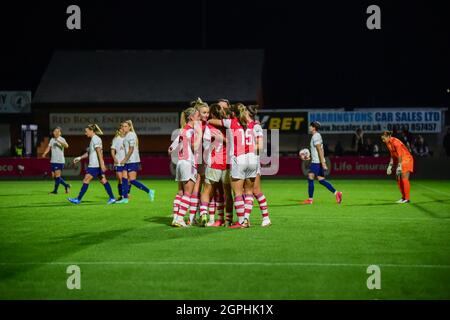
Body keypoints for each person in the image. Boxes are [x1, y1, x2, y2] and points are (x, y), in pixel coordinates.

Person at [208, 103, 258, 228]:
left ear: (233, 113)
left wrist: (210, 118)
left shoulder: (231, 122)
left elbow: (213, 120)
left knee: (237, 193)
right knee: (249, 191)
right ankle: (246, 219)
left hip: (239, 158)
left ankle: (241, 222)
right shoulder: (251, 124)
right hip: (252, 158)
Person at [68, 124, 116, 204]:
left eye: (86, 131)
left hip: (95, 165)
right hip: (97, 165)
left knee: (86, 180)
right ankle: (112, 198)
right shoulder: (94, 139)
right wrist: (80, 158)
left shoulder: (95, 139)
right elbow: (89, 153)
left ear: (91, 131)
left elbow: (99, 153)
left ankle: (78, 199)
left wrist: (102, 165)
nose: (85, 133)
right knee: (103, 180)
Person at [172, 107, 202, 227]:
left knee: (180, 192)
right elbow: (195, 147)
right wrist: (199, 134)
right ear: (191, 117)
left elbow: (170, 149)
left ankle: (175, 217)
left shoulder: (182, 130)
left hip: (180, 163)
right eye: (197, 116)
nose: (199, 118)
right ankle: (179, 219)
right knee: (188, 193)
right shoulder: (190, 131)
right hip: (188, 163)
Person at [200, 103, 228, 227]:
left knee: (207, 189)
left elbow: (206, 146)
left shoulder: (209, 126)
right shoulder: (228, 125)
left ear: (211, 113)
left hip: (214, 162)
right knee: (224, 192)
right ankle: (224, 219)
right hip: (227, 163)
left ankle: (204, 213)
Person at [301, 121, 343, 205]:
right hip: (317, 161)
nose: (309, 128)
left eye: (310, 126)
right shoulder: (316, 136)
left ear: (313, 128)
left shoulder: (315, 136)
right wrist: (309, 157)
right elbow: (317, 151)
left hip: (317, 162)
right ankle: (337, 193)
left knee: (310, 177)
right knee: (321, 180)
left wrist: (323, 163)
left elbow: (319, 149)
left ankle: (310, 200)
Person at [116, 120, 155, 204]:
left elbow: (131, 149)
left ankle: (149, 191)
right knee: (124, 178)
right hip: (128, 160)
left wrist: (125, 159)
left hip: (132, 160)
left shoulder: (131, 135)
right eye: (122, 126)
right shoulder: (126, 136)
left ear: (130, 127)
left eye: (125, 126)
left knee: (132, 180)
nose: (123, 128)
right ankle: (125, 198)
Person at [247, 104, 271, 227]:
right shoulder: (244, 126)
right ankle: (246, 219)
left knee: (255, 190)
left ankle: (266, 217)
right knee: (247, 191)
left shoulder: (256, 127)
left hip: (253, 161)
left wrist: (245, 148)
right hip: (244, 161)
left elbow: (260, 147)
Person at [381, 131, 414, 203]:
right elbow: (392, 155)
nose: (383, 141)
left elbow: (400, 155)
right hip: (400, 160)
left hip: (406, 159)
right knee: (397, 178)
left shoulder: (396, 142)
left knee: (403, 177)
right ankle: (403, 197)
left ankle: (407, 198)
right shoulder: (388, 143)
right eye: (382, 139)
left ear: (388, 136)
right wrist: (390, 166)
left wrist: (399, 166)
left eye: (384, 139)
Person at [42, 127, 71, 194]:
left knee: (57, 176)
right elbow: (49, 147)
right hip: (53, 160)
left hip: (59, 161)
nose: (56, 132)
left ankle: (55, 191)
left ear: (60, 133)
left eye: (58, 131)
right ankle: (66, 185)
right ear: (53, 133)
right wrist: (44, 153)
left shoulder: (62, 139)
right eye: (55, 131)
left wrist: (59, 141)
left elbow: (67, 146)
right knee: (54, 177)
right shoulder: (52, 140)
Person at [111, 125, 130, 201]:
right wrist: (114, 158)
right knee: (120, 179)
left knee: (126, 179)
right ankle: (121, 195)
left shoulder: (128, 138)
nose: (121, 130)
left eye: (122, 129)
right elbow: (112, 150)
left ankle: (126, 194)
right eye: (120, 129)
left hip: (126, 161)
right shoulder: (116, 139)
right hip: (118, 162)